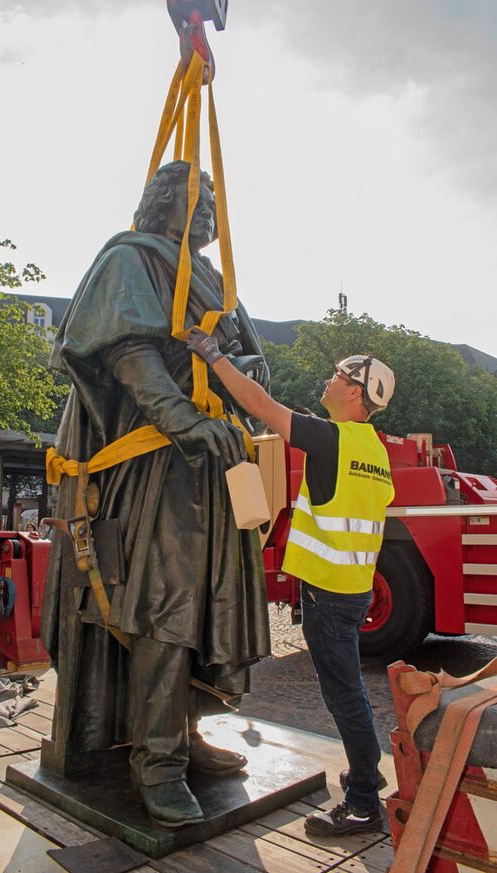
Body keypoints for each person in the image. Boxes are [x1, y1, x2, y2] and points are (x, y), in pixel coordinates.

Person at [41, 161, 271, 828]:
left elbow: (244, 361)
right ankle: (157, 760)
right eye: (197, 200)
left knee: (209, 609)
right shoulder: (131, 257)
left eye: (214, 204)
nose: (207, 214)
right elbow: (128, 353)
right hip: (157, 463)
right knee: (166, 609)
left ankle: (188, 734)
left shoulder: (213, 277)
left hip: (214, 466)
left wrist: (237, 372)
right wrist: (185, 419)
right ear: (162, 200)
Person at [187, 327, 395, 837]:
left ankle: (366, 800)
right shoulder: (376, 450)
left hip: (327, 593)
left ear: (354, 391)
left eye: (337, 376)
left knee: (343, 694)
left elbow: (260, 403)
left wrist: (212, 355)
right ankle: (365, 774)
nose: (327, 381)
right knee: (350, 691)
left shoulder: (331, 438)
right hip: (354, 589)